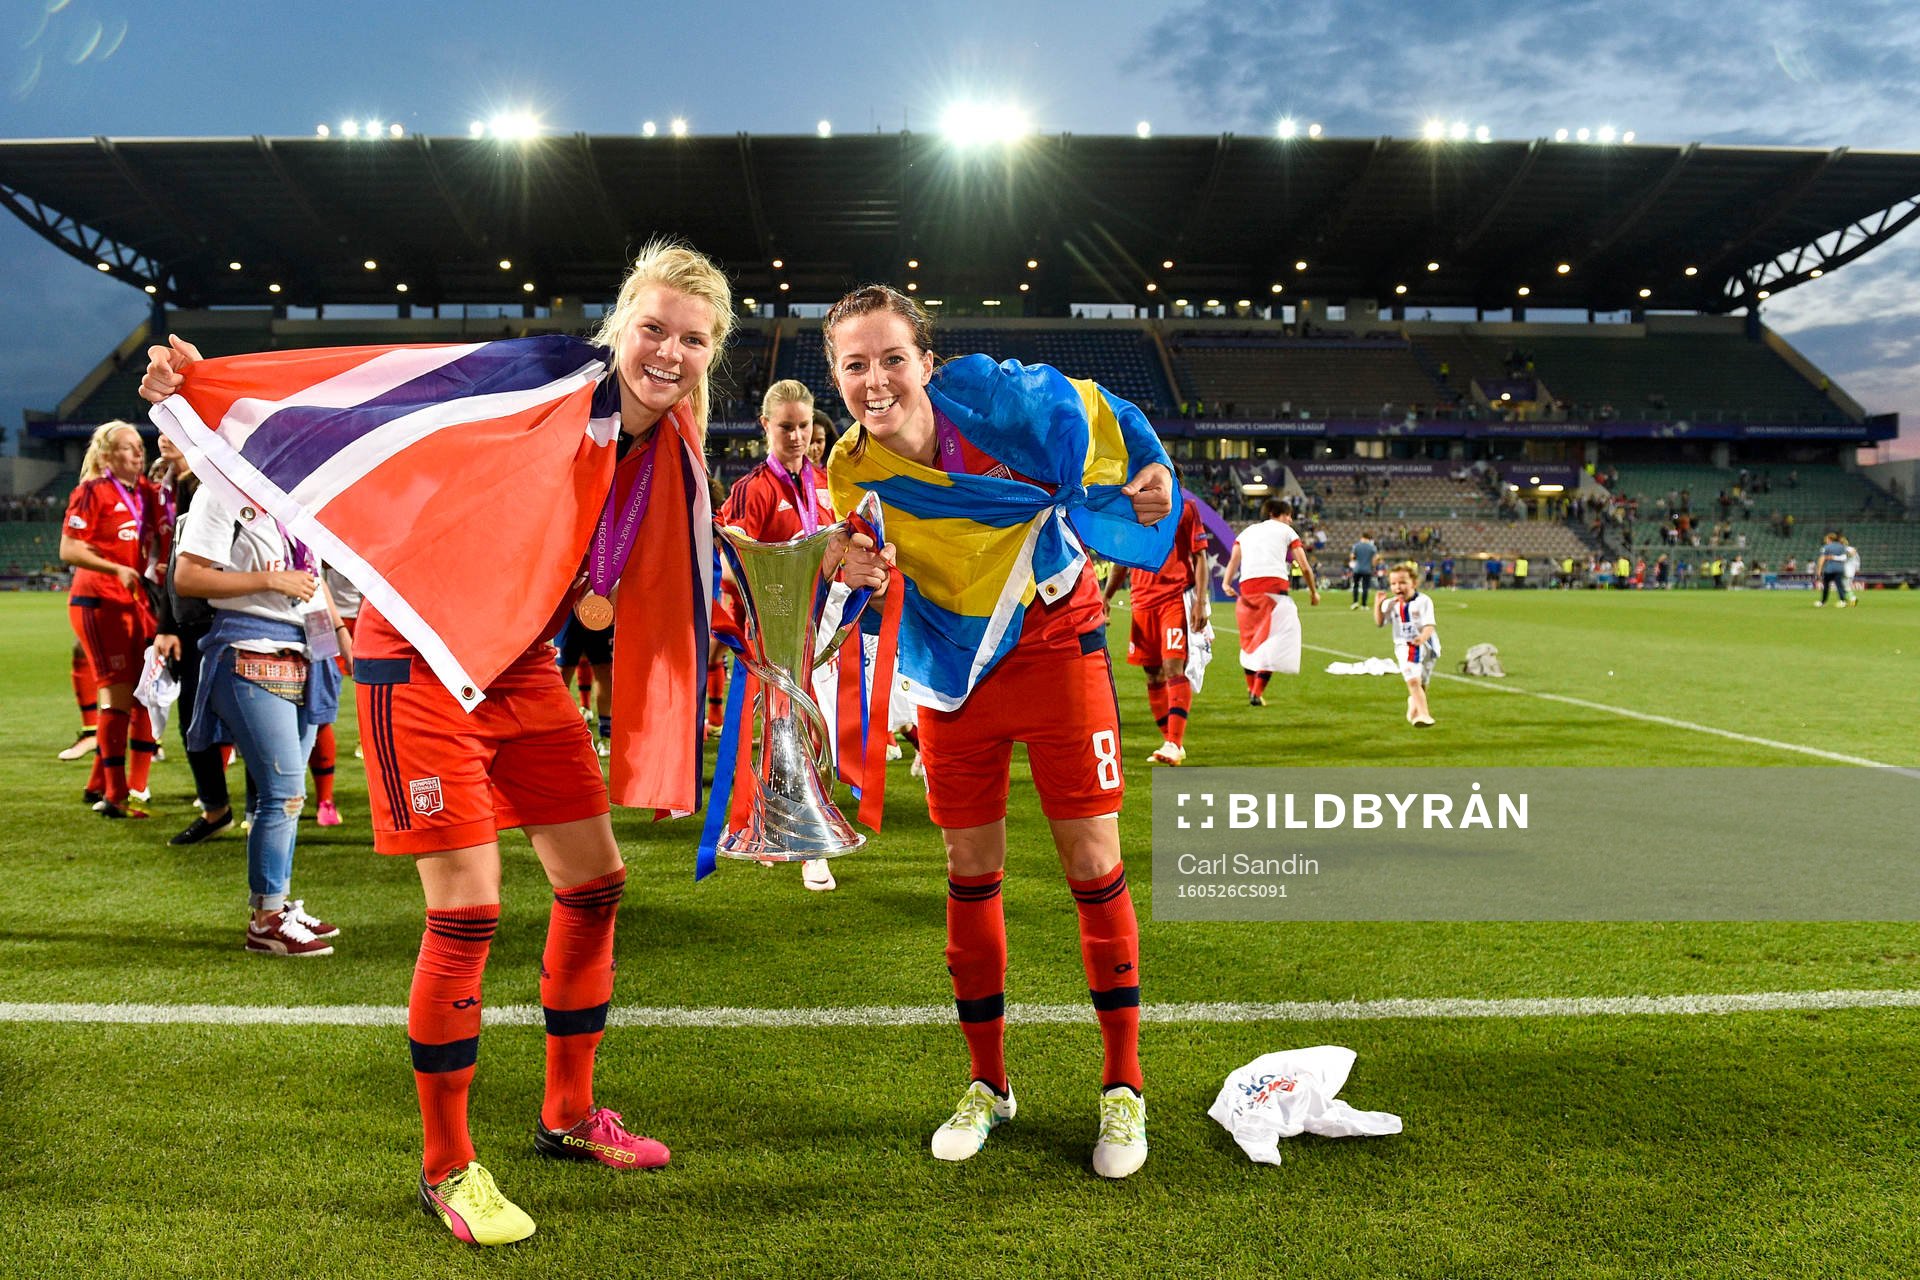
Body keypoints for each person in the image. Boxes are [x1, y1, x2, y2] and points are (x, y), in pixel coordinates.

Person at [141, 242, 887, 1247]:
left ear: (714, 352)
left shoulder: (667, 446)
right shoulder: (538, 381)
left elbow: (708, 572)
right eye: (653, 329)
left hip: (522, 665)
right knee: (470, 909)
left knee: (595, 881)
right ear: (621, 324)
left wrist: (823, 559)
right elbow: (383, 397)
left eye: (693, 339)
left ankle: (568, 1115)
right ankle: (447, 1166)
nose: (668, 352)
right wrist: (199, 384)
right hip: (418, 656)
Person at [822, 284, 1174, 1180]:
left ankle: (1124, 1088)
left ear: (927, 362)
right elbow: (871, 590)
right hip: (953, 670)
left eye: (892, 358)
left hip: (1057, 640)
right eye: (854, 364)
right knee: (968, 872)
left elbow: (1105, 411)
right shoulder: (850, 471)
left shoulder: (997, 403)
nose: (876, 380)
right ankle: (988, 1084)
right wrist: (851, 568)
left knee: (1093, 863)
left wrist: (1150, 463)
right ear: (834, 375)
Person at [172, 476, 347, 956]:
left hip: (307, 650)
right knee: (284, 793)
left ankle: (278, 902)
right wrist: (270, 580)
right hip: (248, 647)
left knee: (290, 794)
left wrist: (338, 638)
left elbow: (313, 582)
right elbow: (187, 578)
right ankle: (265, 919)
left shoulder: (295, 500)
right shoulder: (219, 492)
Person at [717, 379, 839, 890]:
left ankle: (788, 826)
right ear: (765, 426)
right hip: (769, 636)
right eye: (785, 426)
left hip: (822, 632)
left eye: (803, 426)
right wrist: (735, 634)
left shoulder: (829, 482)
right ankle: (787, 834)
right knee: (771, 730)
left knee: (813, 730)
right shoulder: (752, 489)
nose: (795, 436)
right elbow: (733, 567)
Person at [58, 421, 162, 818]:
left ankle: (110, 783)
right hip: (98, 601)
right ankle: (116, 792)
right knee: (119, 694)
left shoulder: (145, 494)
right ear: (105, 456)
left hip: (134, 603)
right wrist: (112, 568)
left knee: (143, 694)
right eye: (128, 448)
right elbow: (69, 549)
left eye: (140, 447)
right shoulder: (91, 491)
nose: (138, 454)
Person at [151, 433, 240, 846]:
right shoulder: (177, 486)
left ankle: (263, 808)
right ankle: (216, 808)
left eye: (178, 430)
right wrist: (167, 625)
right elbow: (175, 562)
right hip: (192, 619)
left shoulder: (220, 484)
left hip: (234, 617)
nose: (165, 437)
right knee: (194, 721)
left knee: (253, 717)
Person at [1105, 493, 1211, 765]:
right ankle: (1169, 741)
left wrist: (1200, 601)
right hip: (1141, 602)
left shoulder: (1186, 508)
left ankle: (1174, 743)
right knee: (1152, 673)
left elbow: (1200, 557)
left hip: (1174, 598)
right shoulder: (1134, 511)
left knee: (1173, 667)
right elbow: (1122, 560)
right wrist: (1105, 597)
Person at [1222, 498, 1319, 707]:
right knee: (1277, 643)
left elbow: (1233, 560)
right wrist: (1313, 592)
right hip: (1274, 593)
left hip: (1246, 592)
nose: (1291, 520)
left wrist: (1225, 583)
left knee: (1250, 644)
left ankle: (1250, 689)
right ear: (1277, 514)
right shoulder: (1286, 531)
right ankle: (1257, 692)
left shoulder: (1245, 533)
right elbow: (1304, 566)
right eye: (1288, 515)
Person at [1375, 561, 1438, 726]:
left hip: (1428, 646)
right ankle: (1424, 715)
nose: (1398, 587)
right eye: (1393, 583)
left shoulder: (1424, 601)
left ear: (1414, 583)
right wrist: (1378, 604)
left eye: (1402, 582)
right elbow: (1380, 622)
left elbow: (1430, 625)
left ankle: (1413, 703)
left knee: (1422, 682)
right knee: (1413, 681)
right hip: (1406, 646)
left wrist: (1422, 638)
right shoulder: (1391, 604)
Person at [1814, 531, 1850, 607]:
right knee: (1840, 586)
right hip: (1840, 569)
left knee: (1826, 586)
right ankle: (1843, 601)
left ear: (1829, 539)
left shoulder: (1826, 547)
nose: (1825, 540)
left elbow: (1822, 559)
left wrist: (1819, 570)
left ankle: (1823, 602)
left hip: (1829, 570)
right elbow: (1845, 558)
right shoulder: (1841, 546)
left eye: (1826, 539)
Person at [1349, 530, 1377, 610]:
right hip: (1367, 569)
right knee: (1365, 588)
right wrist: (1373, 566)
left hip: (1357, 569)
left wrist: (1357, 560)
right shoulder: (1372, 547)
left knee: (1355, 586)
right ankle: (1364, 605)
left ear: (1362, 537)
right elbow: (1374, 559)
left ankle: (1355, 602)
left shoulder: (1356, 546)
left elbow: (1352, 556)